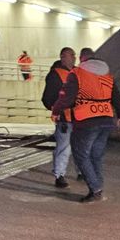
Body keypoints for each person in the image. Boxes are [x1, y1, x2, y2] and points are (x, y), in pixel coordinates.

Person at [52, 52, 120, 202]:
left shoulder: (78, 73)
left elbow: (66, 97)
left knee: (80, 154)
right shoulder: (107, 76)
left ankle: (95, 189)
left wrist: (56, 111)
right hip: (106, 120)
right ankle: (98, 187)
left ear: (82, 60)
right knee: (96, 155)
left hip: (86, 120)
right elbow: (117, 97)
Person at [41, 47, 76, 189]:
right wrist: (56, 111)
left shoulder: (76, 72)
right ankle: (59, 175)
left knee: (76, 146)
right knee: (64, 147)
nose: (74, 58)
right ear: (63, 57)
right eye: (71, 55)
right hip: (65, 117)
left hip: (78, 116)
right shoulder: (56, 75)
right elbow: (47, 98)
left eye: (74, 55)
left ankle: (80, 172)